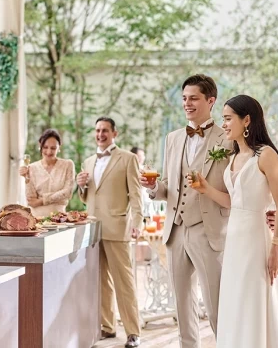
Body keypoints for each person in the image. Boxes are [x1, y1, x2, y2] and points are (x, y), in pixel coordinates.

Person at [189, 95, 278, 347]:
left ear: (246, 120)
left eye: (228, 119)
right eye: (223, 119)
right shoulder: (234, 157)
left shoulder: (265, 155)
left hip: (257, 241)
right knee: (238, 301)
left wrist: (276, 250)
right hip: (234, 242)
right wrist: (205, 189)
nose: (224, 124)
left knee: (258, 298)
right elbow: (234, 202)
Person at [140, 74, 232, 348]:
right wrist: (153, 187)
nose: (187, 104)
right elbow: (169, 185)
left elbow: (235, 185)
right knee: (182, 306)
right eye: (184, 98)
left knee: (216, 306)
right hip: (175, 230)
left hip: (209, 230)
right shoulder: (173, 138)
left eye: (194, 98)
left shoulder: (227, 138)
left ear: (211, 101)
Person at [77, 117, 142, 348]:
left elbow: (136, 194)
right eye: (97, 130)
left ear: (115, 133)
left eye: (105, 130)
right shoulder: (88, 161)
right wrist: (81, 185)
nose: (100, 134)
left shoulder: (128, 158)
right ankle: (107, 326)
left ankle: (133, 332)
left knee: (124, 282)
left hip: (117, 227)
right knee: (101, 280)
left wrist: (138, 222)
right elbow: (86, 197)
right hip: (93, 229)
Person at [19, 129, 75, 217]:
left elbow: (67, 192)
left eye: (53, 148)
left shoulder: (67, 165)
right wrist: (26, 178)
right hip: (37, 219)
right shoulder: (32, 168)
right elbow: (31, 201)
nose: (49, 152)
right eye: (45, 147)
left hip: (59, 219)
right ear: (40, 146)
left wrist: (42, 200)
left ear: (59, 148)